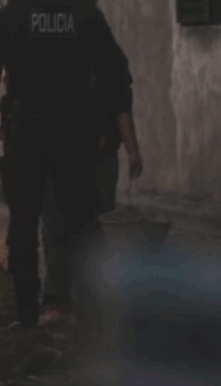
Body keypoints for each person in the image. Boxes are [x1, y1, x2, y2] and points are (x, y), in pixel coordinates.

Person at [0, 0, 132, 329]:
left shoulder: (8, 16)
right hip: (75, 136)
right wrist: (112, 129)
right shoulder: (86, 15)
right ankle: (92, 311)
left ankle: (28, 314)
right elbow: (117, 74)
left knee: (24, 225)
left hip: (24, 136)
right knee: (81, 221)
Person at [39, 54, 143, 325]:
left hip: (100, 161)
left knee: (93, 229)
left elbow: (122, 110)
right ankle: (57, 302)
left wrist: (133, 150)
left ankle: (92, 302)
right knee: (56, 228)